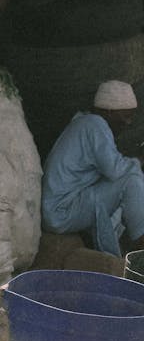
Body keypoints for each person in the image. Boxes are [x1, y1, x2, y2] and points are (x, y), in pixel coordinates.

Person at [41, 79, 144, 257]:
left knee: (129, 179)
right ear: (110, 112)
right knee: (131, 180)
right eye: (126, 116)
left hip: (60, 208)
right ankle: (140, 249)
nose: (129, 122)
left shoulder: (84, 123)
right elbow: (115, 170)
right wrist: (139, 162)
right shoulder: (95, 124)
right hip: (61, 211)